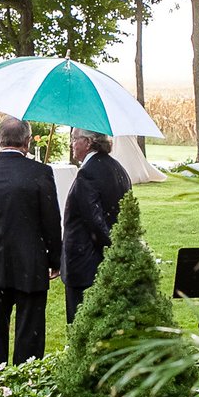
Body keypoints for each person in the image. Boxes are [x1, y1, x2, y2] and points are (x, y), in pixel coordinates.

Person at [0, 116, 62, 365]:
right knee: (30, 328)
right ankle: (27, 376)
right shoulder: (41, 173)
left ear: (0, 139)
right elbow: (51, 221)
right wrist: (56, 258)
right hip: (31, 261)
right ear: (27, 141)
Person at [61, 129, 133, 322]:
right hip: (106, 261)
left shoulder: (88, 173)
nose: (71, 144)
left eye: (74, 139)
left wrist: (110, 245)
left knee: (82, 322)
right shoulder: (118, 167)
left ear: (88, 142)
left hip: (86, 262)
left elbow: (94, 220)